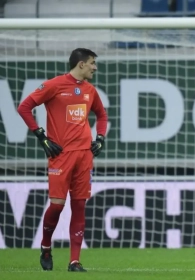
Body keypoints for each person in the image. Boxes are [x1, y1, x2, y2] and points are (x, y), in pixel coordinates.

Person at [17, 48, 108, 272]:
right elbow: (24, 107)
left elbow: (102, 115)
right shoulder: (54, 85)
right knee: (57, 206)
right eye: (92, 63)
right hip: (61, 156)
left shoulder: (90, 90)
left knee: (79, 206)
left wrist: (100, 138)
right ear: (81, 64)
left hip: (84, 155)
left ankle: (74, 261)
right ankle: (46, 246)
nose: (95, 67)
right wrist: (41, 136)